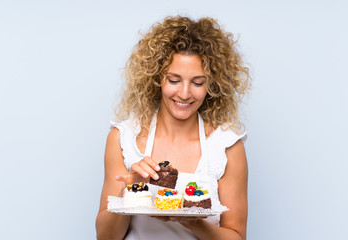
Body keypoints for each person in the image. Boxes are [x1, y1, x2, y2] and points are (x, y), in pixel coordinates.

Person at [96, 16, 251, 240]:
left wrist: (190, 221)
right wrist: (129, 189)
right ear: (156, 78)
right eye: (174, 80)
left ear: (212, 84)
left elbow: (237, 236)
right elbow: (105, 237)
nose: (185, 93)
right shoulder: (124, 139)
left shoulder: (226, 146)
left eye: (198, 82)